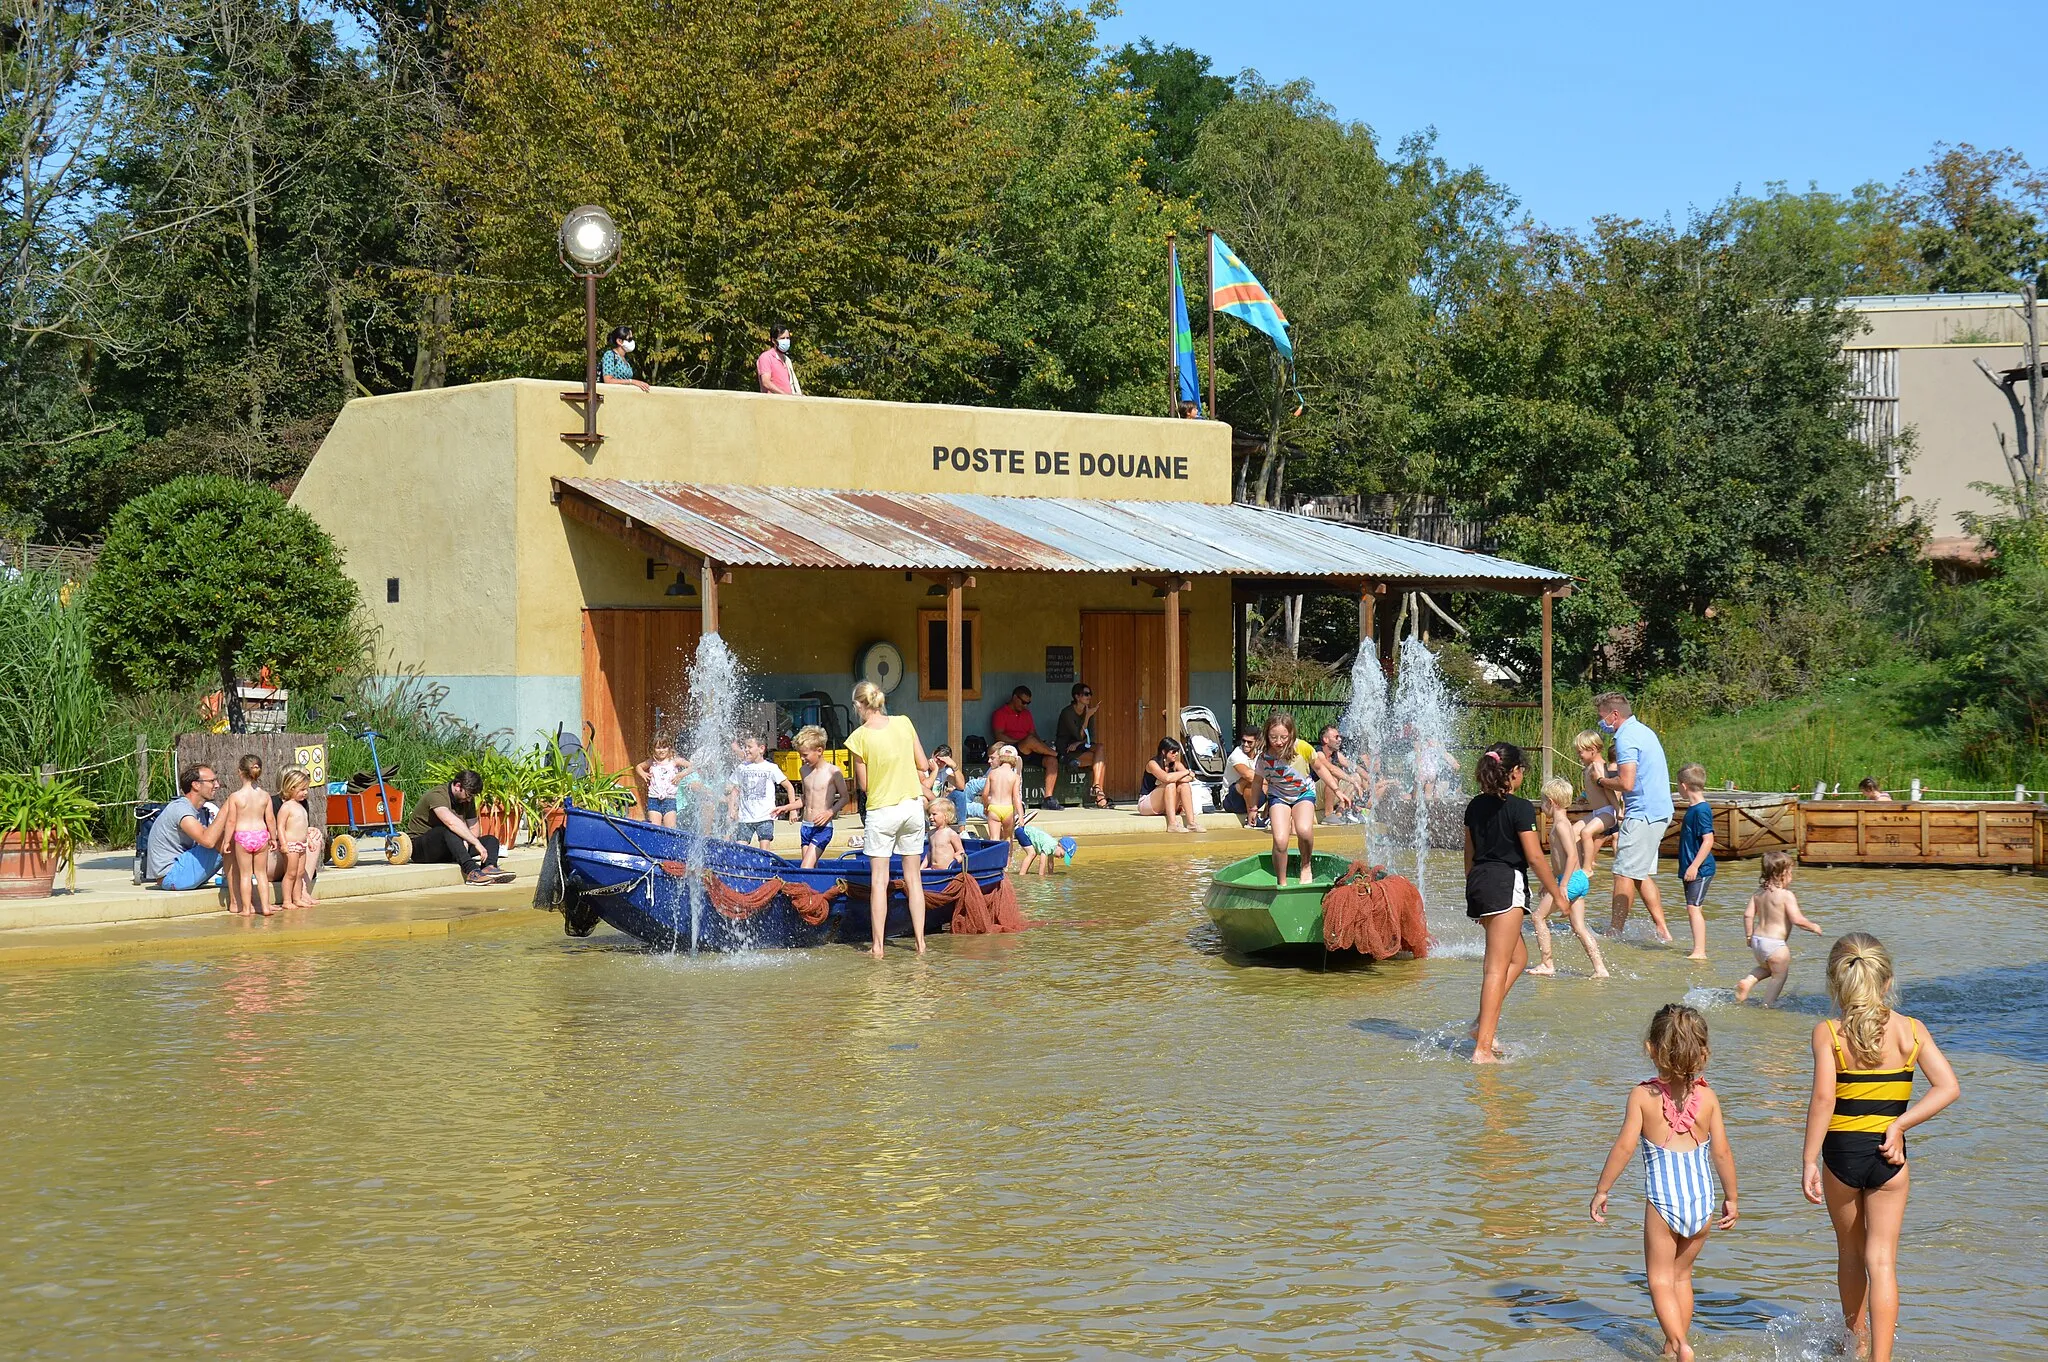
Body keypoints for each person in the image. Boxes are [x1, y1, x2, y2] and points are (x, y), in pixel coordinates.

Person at [1802, 934, 1960, 1362]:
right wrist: (1899, 1124)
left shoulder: (1828, 1034)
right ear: (1887, 981)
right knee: (1883, 1261)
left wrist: (1808, 1160)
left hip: (1841, 1156)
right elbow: (1948, 1087)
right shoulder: (1911, 1030)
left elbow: (1823, 1100)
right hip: (1892, 1157)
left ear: (1835, 984)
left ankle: (1857, 1345)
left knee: (1850, 1255)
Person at [1590, 1004, 1739, 1362]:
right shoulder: (1710, 1098)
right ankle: (1673, 1345)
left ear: (1651, 1050)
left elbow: (1625, 1146)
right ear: (1703, 1052)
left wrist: (1602, 1189)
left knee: (1658, 1279)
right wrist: (1732, 1197)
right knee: (1681, 1278)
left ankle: (1681, 1346)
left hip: (1664, 1200)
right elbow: (1722, 1152)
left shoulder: (1642, 1097)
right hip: (1702, 1199)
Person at [1462, 741, 1568, 1063]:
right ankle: (1482, 1047)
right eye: (1522, 770)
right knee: (1494, 969)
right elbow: (1535, 858)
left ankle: (1482, 1026)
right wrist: (1559, 894)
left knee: (1518, 958)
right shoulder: (1521, 808)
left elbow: (1469, 856)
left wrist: (1475, 893)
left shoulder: (1473, 806)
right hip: (1505, 885)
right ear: (1513, 773)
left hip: (1481, 884)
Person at [846, 679, 931, 957]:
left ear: (860, 705)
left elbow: (864, 786)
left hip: (882, 810)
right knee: (914, 878)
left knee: (879, 882)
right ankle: (920, 944)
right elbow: (923, 763)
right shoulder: (904, 722)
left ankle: (878, 947)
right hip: (911, 807)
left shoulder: (859, 737)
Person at [1591, 693, 1675, 942]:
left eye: (1601, 717)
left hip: (1643, 814)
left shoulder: (1626, 737)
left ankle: (1615, 931)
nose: (1601, 722)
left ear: (1614, 714)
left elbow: (1626, 782)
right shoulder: (1643, 730)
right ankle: (1662, 930)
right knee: (1639, 874)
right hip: (1658, 810)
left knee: (1623, 872)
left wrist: (1601, 781)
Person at [1528, 776, 1608, 978]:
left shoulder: (1561, 825)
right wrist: (1549, 883)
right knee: (1579, 927)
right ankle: (1600, 968)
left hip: (1570, 880)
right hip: (1577, 879)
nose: (1542, 805)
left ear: (1551, 802)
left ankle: (1547, 964)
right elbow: (1559, 860)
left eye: (1543, 800)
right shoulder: (1561, 824)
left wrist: (1562, 885)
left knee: (1538, 917)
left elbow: (1572, 856)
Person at [1735, 851, 1823, 1004]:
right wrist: (1813, 926)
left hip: (1757, 941)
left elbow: (1748, 915)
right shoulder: (1786, 895)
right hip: (1775, 945)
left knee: (1768, 968)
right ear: (1782, 873)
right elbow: (1797, 919)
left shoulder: (1758, 894)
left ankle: (1747, 982)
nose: (1792, 877)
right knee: (1780, 976)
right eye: (1791, 873)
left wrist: (1749, 937)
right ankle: (1767, 1005)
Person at [408, 770, 514, 885]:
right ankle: (472, 871)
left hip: (449, 845)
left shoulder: (467, 800)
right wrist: (475, 843)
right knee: (448, 830)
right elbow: (451, 822)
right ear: (458, 786)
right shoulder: (437, 795)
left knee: (491, 840)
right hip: (421, 848)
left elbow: (474, 828)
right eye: (468, 795)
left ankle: (488, 868)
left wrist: (467, 841)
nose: (468, 799)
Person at [1251, 712, 1319, 887]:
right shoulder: (1264, 756)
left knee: (1303, 830)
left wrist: (1336, 789)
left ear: (1291, 734)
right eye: (1273, 737)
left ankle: (1306, 865)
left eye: (1283, 737)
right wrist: (1253, 808)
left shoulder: (1302, 747)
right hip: (1278, 796)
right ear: (1267, 735)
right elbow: (1257, 782)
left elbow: (1320, 768)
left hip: (1303, 793)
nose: (1279, 742)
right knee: (1280, 841)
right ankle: (1282, 882)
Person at [146, 764, 228, 890]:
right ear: (196, 785)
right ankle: (242, 879)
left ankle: (247, 876)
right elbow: (208, 841)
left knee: (232, 837)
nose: (217, 785)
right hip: (172, 876)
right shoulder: (180, 808)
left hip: (179, 873)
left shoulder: (199, 812)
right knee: (228, 839)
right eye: (212, 781)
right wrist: (226, 809)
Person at [220, 754, 278, 916]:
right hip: (261, 835)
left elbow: (231, 821)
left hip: (243, 837)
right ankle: (266, 907)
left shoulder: (235, 797)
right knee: (261, 874)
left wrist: (226, 841)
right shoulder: (265, 796)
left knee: (245, 875)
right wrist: (273, 838)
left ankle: (246, 909)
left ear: (240, 772)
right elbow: (271, 819)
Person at [990, 687, 1060, 804]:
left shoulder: (1026, 714)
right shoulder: (1000, 713)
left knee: (1051, 760)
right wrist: (1020, 741)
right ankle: (1059, 755)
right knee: (1030, 741)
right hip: (1012, 749)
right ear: (1014, 698)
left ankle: (1048, 798)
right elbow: (999, 736)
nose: (1025, 705)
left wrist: (1041, 744)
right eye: (1023, 702)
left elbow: (1033, 735)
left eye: (1028, 703)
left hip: (1029, 749)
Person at [793, 726, 850, 869]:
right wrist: (787, 807)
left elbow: (845, 797)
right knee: (812, 867)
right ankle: (815, 891)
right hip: (806, 826)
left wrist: (830, 812)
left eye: (805, 755)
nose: (802, 758)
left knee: (805, 868)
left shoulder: (833, 772)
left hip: (822, 827)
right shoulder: (803, 770)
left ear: (819, 751)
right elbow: (806, 798)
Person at [727, 735, 797, 849]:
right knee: (740, 848)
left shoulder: (771, 768)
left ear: (761, 749)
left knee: (764, 849)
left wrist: (793, 809)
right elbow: (735, 790)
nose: (746, 750)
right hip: (745, 817)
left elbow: (789, 787)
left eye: (749, 747)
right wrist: (731, 809)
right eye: (745, 747)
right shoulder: (742, 767)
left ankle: (765, 866)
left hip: (766, 816)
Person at [1675, 763, 1715, 961]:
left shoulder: (1701, 810)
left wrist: (1694, 866)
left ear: (1683, 786)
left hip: (1700, 868)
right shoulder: (1694, 808)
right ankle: (1698, 947)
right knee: (1693, 907)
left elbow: (1708, 840)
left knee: (1693, 907)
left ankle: (1700, 951)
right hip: (1691, 867)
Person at [269, 766, 321, 911]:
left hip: (301, 845)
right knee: (291, 873)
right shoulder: (286, 807)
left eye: (306, 789)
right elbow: (280, 827)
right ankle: (287, 900)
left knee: (299, 873)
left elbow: (304, 827)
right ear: (291, 788)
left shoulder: (301, 806)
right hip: (291, 846)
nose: (306, 793)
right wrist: (284, 844)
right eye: (302, 790)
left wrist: (309, 840)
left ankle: (297, 898)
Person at [1051, 683, 1110, 810]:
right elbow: (1078, 735)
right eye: (1086, 694)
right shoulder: (1068, 712)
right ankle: (1099, 796)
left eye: (1090, 694)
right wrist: (1087, 716)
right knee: (1100, 760)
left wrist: (1079, 743)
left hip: (1080, 746)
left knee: (1100, 748)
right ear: (1077, 696)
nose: (1089, 697)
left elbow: (1091, 738)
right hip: (1067, 750)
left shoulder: (1088, 711)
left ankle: (1097, 787)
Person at [1574, 729, 1621, 873]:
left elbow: (1607, 789)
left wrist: (1618, 809)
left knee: (1586, 833)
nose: (1578, 755)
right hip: (1596, 812)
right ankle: (1577, 865)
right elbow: (1594, 790)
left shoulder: (1598, 766)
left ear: (1592, 749)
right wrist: (1584, 797)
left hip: (1607, 812)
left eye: (1580, 751)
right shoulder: (1588, 767)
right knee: (1572, 832)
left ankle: (1587, 868)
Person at [1139, 737, 1199, 833]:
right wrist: (1187, 771)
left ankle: (1191, 823)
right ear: (1163, 751)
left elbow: (1189, 778)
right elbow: (1167, 778)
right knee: (1170, 784)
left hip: (1166, 804)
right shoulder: (1152, 764)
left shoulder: (1176, 764)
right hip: (1147, 803)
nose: (1176, 754)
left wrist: (1178, 776)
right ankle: (1172, 824)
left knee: (1184, 785)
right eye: (1173, 751)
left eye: (1177, 751)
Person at [1313, 725, 1361, 824]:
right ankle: (1329, 815)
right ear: (1326, 739)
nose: (1339, 740)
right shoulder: (1318, 753)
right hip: (1314, 796)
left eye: (1339, 737)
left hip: (1328, 793)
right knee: (1332, 778)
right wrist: (1351, 781)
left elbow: (1354, 767)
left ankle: (1340, 812)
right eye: (1336, 737)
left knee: (1356, 777)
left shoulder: (1336, 755)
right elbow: (1331, 769)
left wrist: (1370, 781)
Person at [636, 738, 688, 829]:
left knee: (670, 829)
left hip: (669, 800)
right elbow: (638, 767)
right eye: (658, 748)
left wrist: (681, 775)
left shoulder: (674, 761)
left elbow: (692, 766)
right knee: (655, 829)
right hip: (654, 799)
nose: (661, 750)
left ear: (669, 747)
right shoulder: (652, 761)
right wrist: (643, 774)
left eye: (664, 747)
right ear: (653, 749)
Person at [981, 743, 1024, 843]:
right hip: (1008, 809)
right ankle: (1009, 859)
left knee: (993, 839)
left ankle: (994, 859)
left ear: (1000, 758)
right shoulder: (1015, 777)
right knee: (1008, 839)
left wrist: (985, 807)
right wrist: (1021, 816)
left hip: (994, 807)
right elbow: (1016, 797)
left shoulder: (992, 773)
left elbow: (985, 794)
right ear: (1014, 760)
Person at [1222, 724, 1263, 826]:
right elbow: (1249, 776)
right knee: (1249, 780)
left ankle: (1264, 815)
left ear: (1257, 742)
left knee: (1265, 781)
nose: (1245, 744)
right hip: (1231, 800)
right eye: (1243, 741)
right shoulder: (1236, 755)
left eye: (1249, 742)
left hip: (1254, 797)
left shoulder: (1261, 755)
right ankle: (1252, 818)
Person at [599, 326, 651, 392]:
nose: (632, 342)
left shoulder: (627, 359)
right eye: (629, 339)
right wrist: (632, 382)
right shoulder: (610, 355)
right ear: (619, 341)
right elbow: (608, 380)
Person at [756, 323, 802, 395]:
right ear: (774, 340)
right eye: (782, 338)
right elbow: (766, 382)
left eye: (788, 338)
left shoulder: (787, 360)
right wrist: (784, 395)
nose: (786, 341)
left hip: (789, 403)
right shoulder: (766, 357)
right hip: (773, 403)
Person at [925, 796, 965, 872]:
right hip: (933, 869)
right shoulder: (931, 834)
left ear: (945, 816)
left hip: (947, 871)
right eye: (929, 814)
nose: (930, 817)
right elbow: (929, 852)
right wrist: (921, 868)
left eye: (934, 814)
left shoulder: (951, 834)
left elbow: (960, 851)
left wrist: (957, 859)